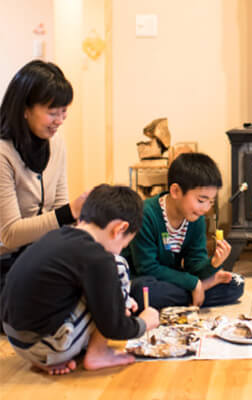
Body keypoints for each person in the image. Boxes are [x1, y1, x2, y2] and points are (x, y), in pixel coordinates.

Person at [0, 184, 160, 375]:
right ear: (120, 229)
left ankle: (49, 355)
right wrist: (144, 322)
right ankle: (98, 354)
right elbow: (115, 328)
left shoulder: (58, 236)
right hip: (46, 345)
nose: (121, 248)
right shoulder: (99, 258)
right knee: (118, 266)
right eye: (125, 242)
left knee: (108, 285)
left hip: (18, 342)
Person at [0, 60, 87, 301]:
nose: (60, 120)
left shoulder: (56, 143)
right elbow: (9, 234)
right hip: (7, 261)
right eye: (52, 113)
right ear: (24, 109)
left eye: (63, 112)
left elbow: (60, 205)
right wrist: (69, 212)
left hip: (40, 253)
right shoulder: (3, 153)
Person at [128, 152, 244, 310]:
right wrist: (193, 283)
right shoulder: (145, 214)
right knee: (142, 293)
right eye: (201, 200)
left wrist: (213, 263)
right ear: (175, 191)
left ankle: (195, 292)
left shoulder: (196, 219)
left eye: (211, 201)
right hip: (142, 278)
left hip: (171, 278)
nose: (206, 208)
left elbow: (194, 264)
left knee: (236, 284)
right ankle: (200, 289)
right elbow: (147, 268)